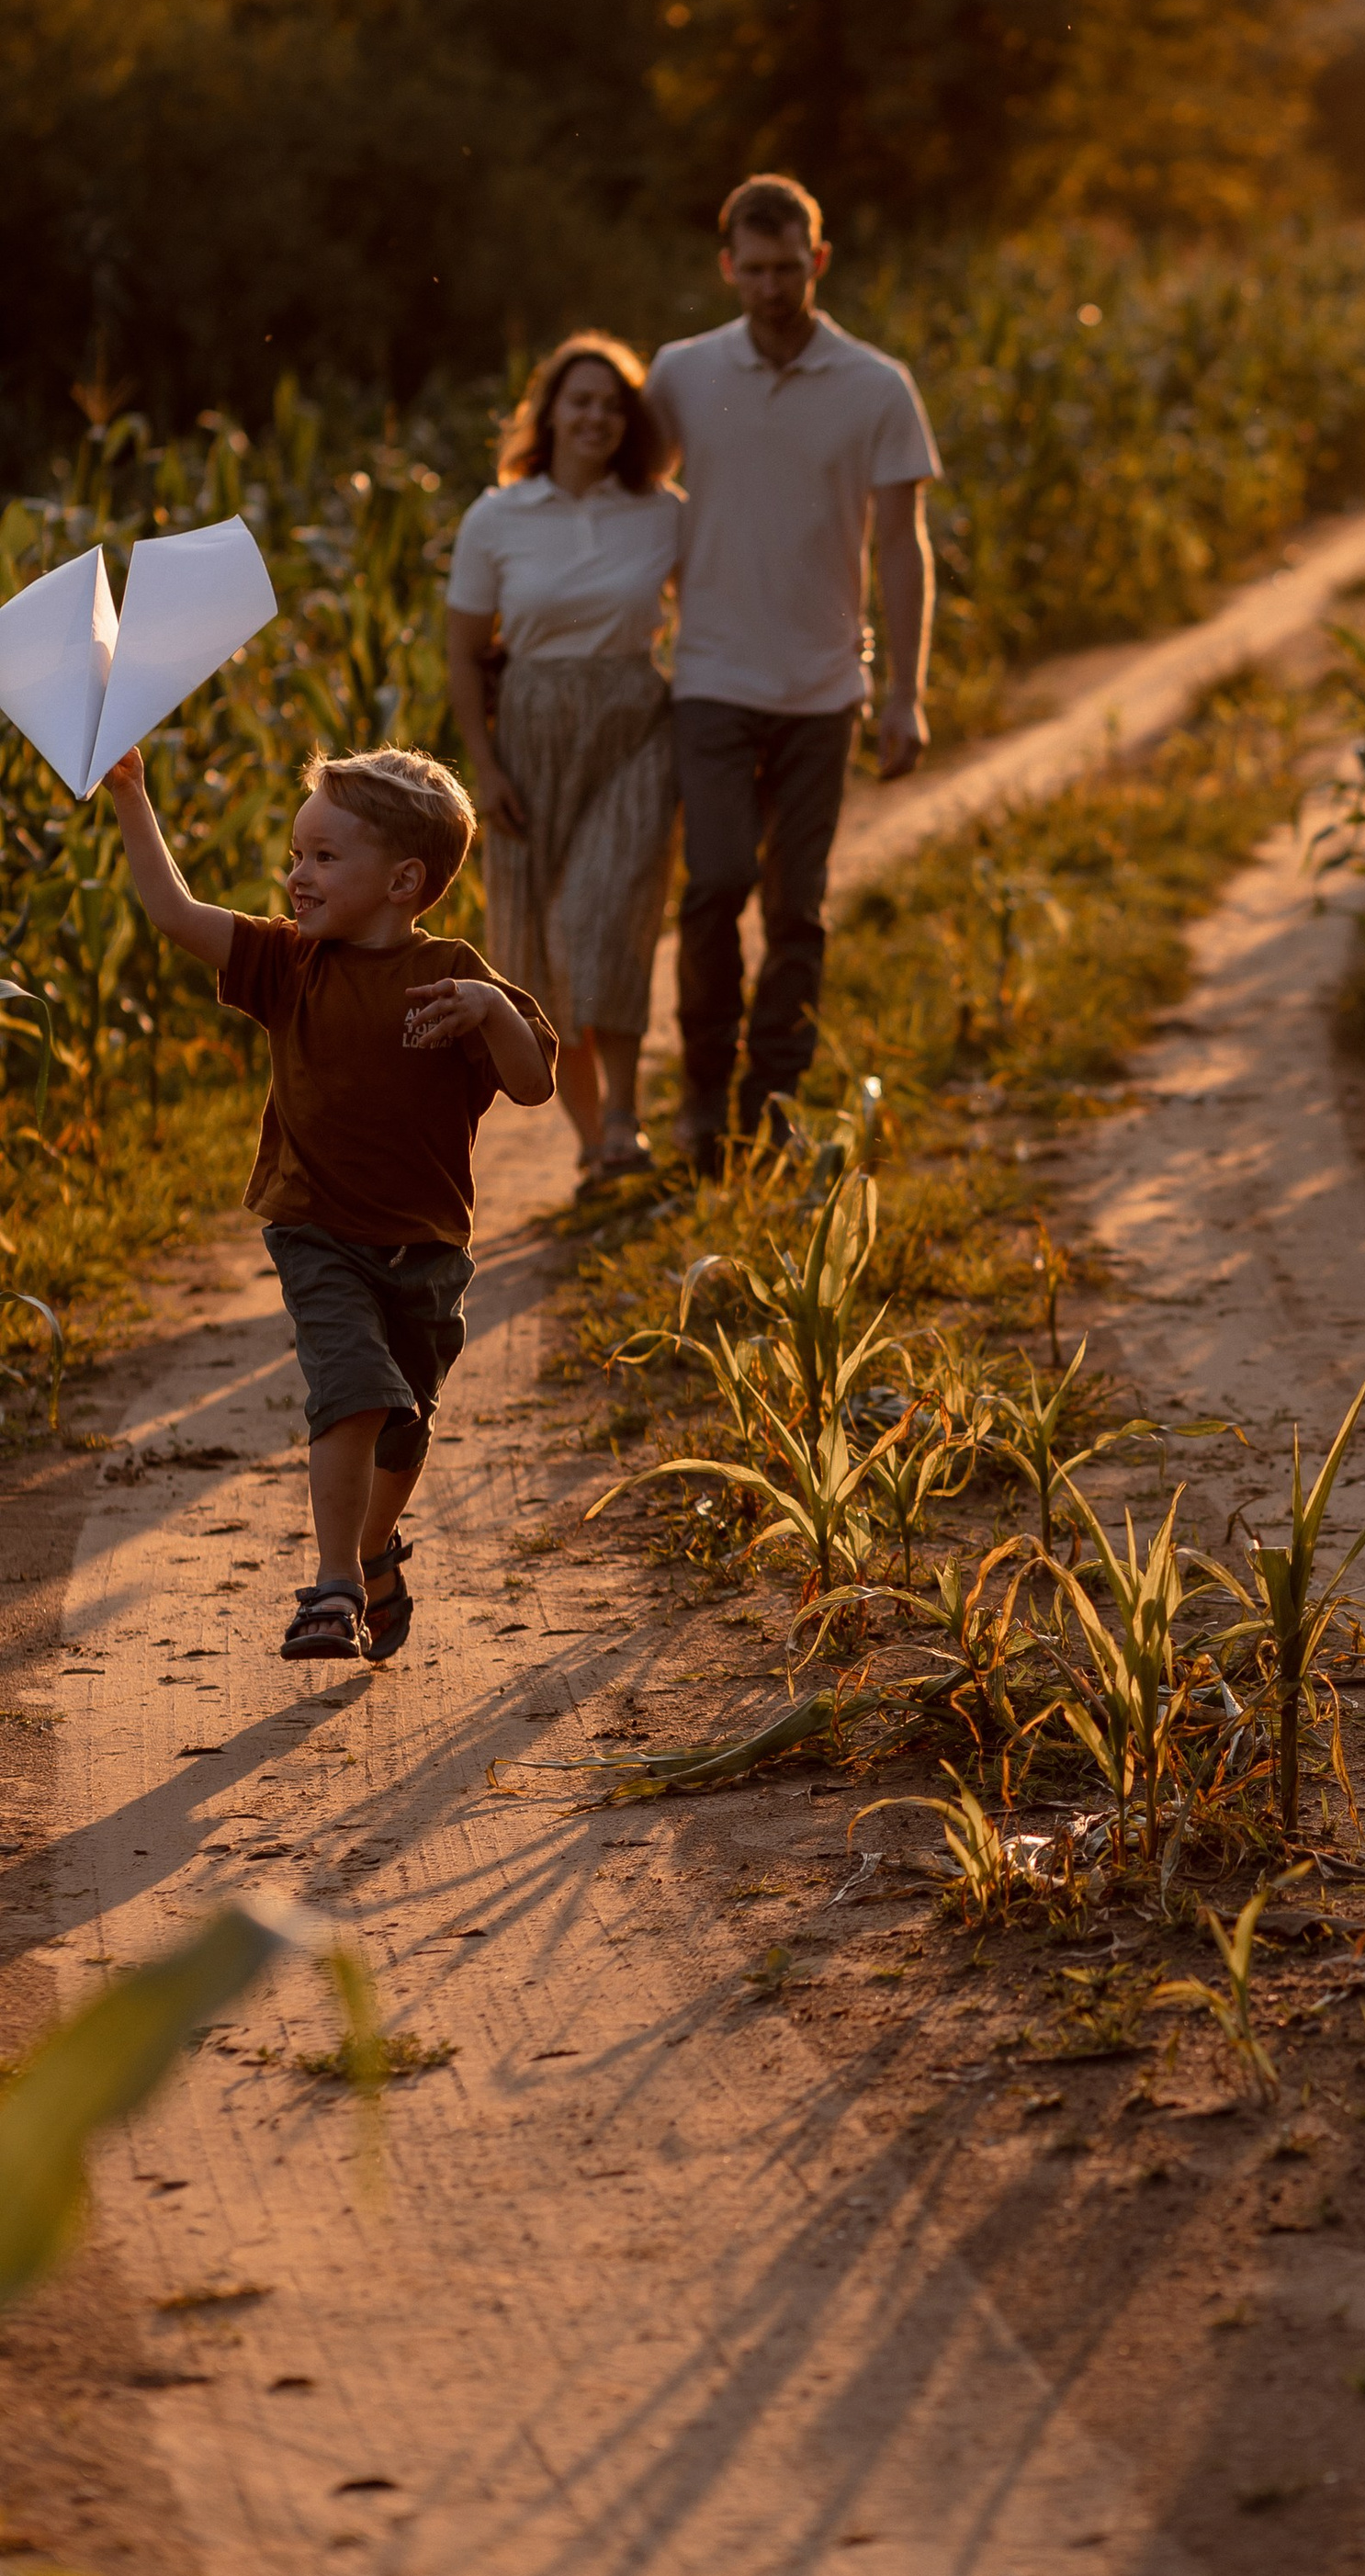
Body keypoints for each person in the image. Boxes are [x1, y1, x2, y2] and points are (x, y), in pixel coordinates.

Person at [103, 742, 557, 1666]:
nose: (296, 874)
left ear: (403, 880)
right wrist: (131, 795)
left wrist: (491, 1009)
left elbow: (534, 1082)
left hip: (426, 1250)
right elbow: (172, 910)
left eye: (321, 857)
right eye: (297, 853)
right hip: (317, 1233)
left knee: (405, 1423)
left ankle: (376, 1547)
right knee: (353, 1394)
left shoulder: (454, 974)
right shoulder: (286, 960)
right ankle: (334, 1584)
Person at [646, 174, 942, 1174]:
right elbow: (623, 497)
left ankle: (772, 1098)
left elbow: (902, 546)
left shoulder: (875, 385)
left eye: (789, 267)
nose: (772, 286)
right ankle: (699, 1097)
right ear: (728, 266)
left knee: (798, 907)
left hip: (825, 687)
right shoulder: (682, 374)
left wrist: (905, 690)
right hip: (712, 678)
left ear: (820, 261)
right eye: (753, 269)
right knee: (715, 882)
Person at [445, 332, 682, 1179]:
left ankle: (628, 1112)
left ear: (633, 421)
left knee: (604, 919)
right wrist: (486, 765)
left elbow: (715, 609)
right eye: (580, 400)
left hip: (634, 726)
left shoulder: (663, 511)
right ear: (548, 412)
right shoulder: (498, 515)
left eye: (613, 405)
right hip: (531, 732)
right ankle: (596, 1143)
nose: (596, 417)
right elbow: (465, 651)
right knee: (537, 948)